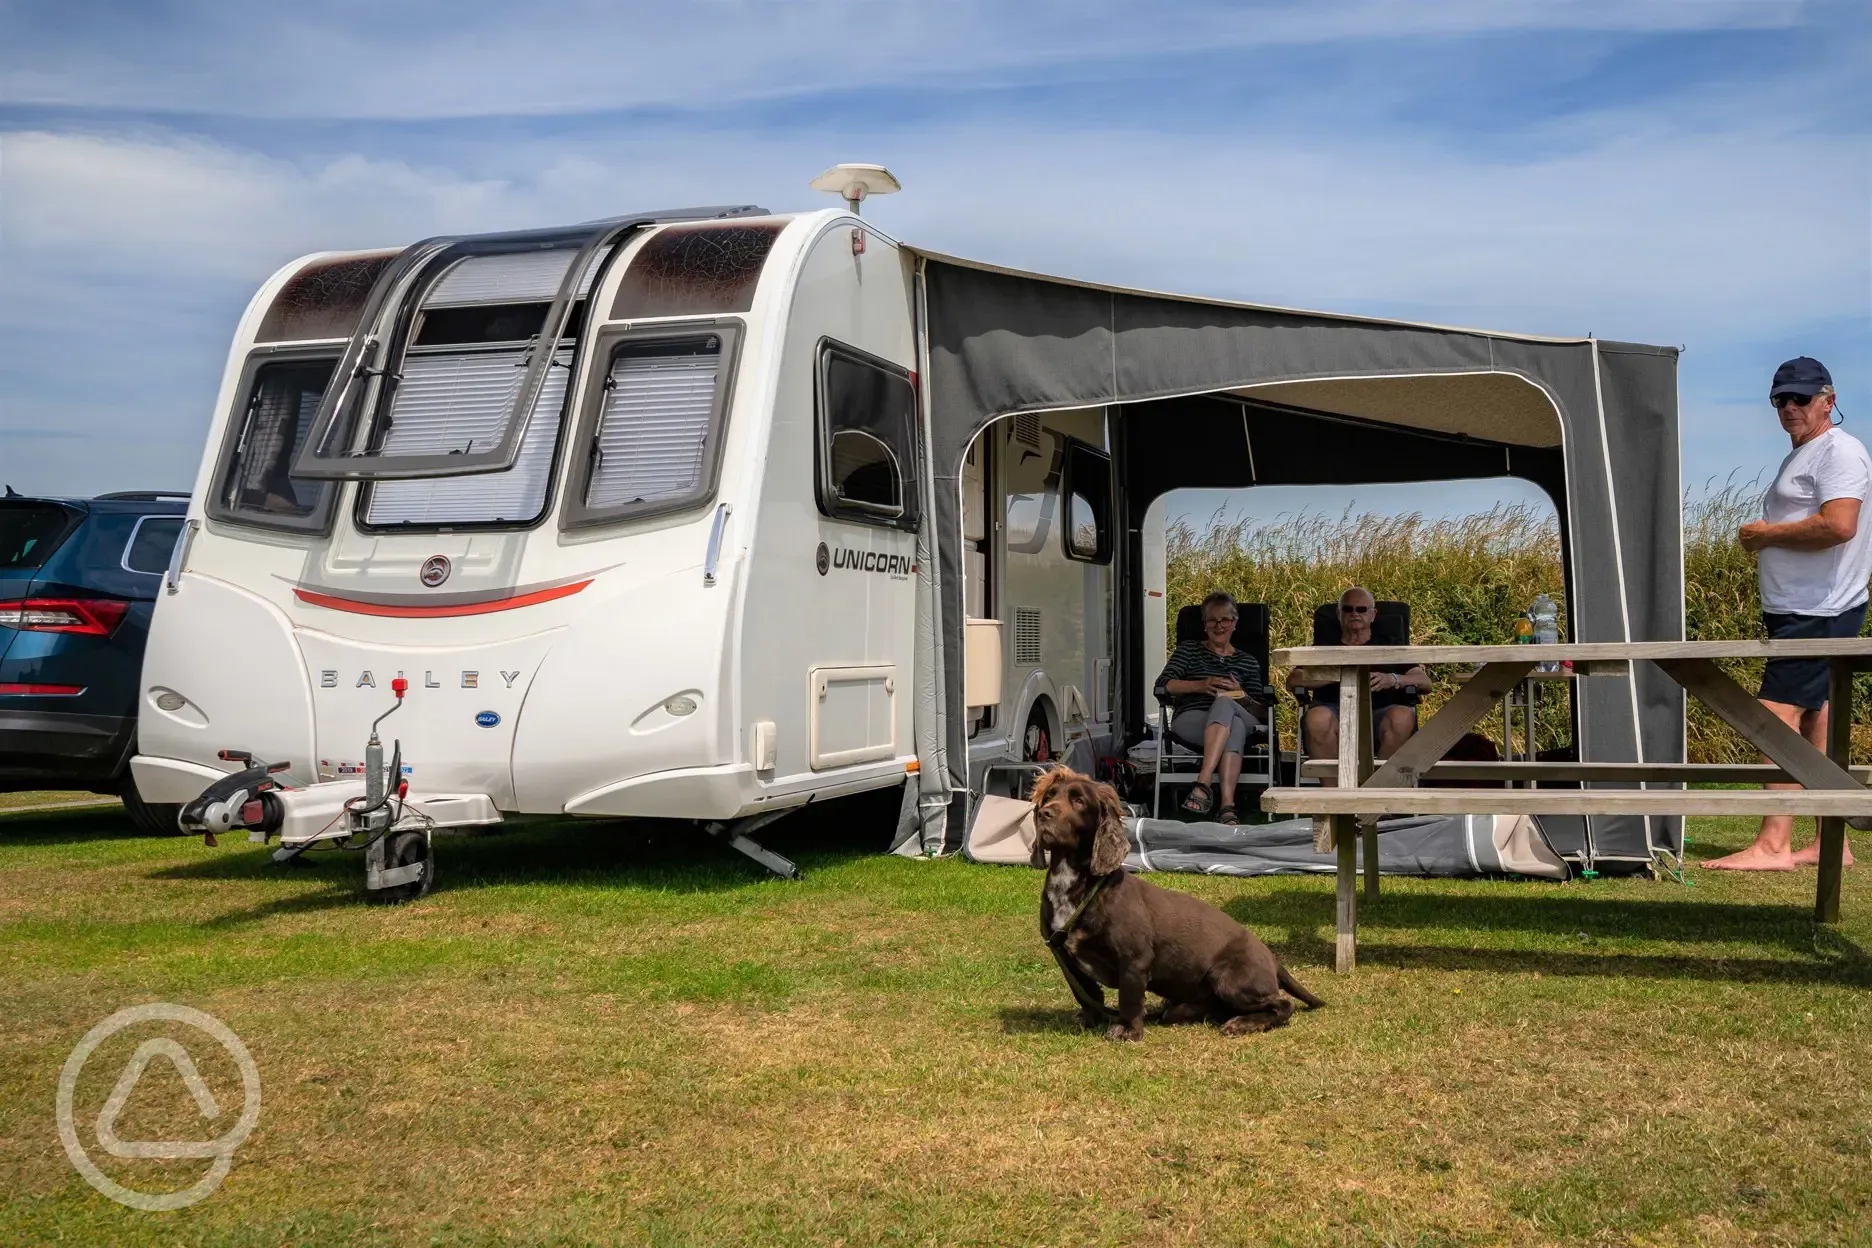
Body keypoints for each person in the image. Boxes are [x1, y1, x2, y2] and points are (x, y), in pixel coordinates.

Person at [1706, 357, 1869, 871]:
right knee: (1816, 720)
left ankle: (1772, 843)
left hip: (1819, 608)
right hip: (1801, 608)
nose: (1790, 408)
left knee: (1774, 715)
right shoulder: (1805, 453)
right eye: (1781, 399)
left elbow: (1840, 525)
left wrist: (1764, 535)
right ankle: (1831, 842)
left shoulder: (1839, 452)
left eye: (1801, 398)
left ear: (1829, 399)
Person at [1287, 586, 1430, 772]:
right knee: (1317, 718)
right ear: (1339, 614)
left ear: (1373, 614)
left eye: (1361, 609)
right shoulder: (1323, 648)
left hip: (1381, 712)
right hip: (1334, 711)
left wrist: (1393, 679)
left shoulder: (1390, 645)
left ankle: (1379, 789)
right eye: (1348, 609)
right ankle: (1334, 796)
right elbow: (1293, 680)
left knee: (1402, 717)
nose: (1355, 614)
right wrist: (1337, 675)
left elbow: (1424, 681)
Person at [1157, 591, 1265, 824]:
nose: (1219, 626)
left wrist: (1242, 696)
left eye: (1225, 620)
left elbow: (1262, 712)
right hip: (1193, 718)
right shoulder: (1189, 650)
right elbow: (1163, 685)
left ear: (1234, 623)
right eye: (1212, 620)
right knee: (1232, 725)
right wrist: (1200, 685)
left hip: (1243, 714)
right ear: (1204, 625)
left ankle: (1203, 783)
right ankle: (1227, 806)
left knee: (1226, 703)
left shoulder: (1248, 661)